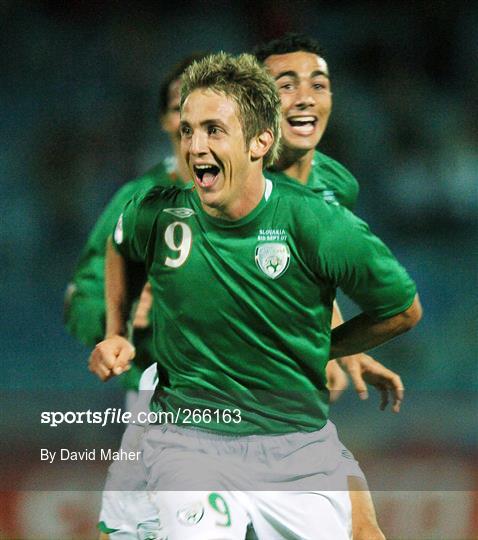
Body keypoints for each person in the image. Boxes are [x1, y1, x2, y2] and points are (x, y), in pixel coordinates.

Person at [91, 52, 421, 539]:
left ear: (260, 141)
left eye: (213, 130)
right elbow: (120, 243)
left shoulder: (318, 224)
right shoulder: (158, 212)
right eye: (188, 130)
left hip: (299, 450)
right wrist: (116, 332)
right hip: (191, 443)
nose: (195, 147)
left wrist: (330, 346)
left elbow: (401, 309)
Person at [254, 33, 401, 539]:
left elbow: (313, 274)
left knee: (365, 534)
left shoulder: (337, 186)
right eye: (285, 85)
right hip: (209, 421)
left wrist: (341, 347)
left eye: (318, 84)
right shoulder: (225, 186)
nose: (305, 97)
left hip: (292, 422)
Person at [64, 55, 204, 540]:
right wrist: (116, 323)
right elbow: (81, 296)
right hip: (160, 398)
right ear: (168, 120)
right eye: (182, 102)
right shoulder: (139, 200)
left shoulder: (265, 199)